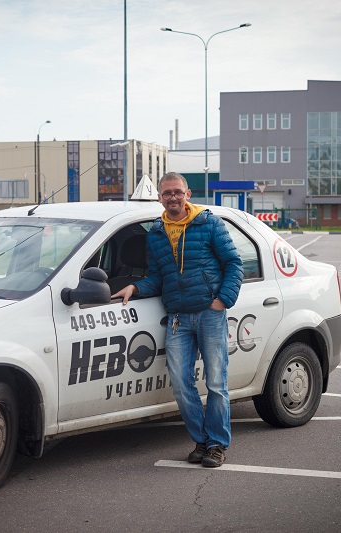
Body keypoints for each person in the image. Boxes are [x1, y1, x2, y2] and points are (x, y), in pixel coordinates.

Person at [112, 172, 243, 467]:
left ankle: (218, 445)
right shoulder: (156, 233)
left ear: (187, 194)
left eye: (177, 192)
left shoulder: (209, 224)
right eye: (167, 193)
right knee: (182, 385)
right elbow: (158, 277)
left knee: (216, 383)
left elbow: (234, 263)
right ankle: (202, 441)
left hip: (210, 314)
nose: (172, 197)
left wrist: (222, 301)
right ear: (160, 197)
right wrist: (135, 287)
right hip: (177, 319)